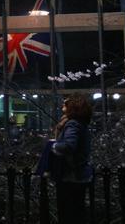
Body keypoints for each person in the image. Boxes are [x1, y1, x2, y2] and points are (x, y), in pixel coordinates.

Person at [51, 93, 93, 224]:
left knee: (67, 212)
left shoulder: (72, 124)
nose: (62, 105)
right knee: (78, 211)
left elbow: (69, 145)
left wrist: (54, 146)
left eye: (65, 103)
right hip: (79, 175)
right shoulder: (81, 124)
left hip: (70, 175)